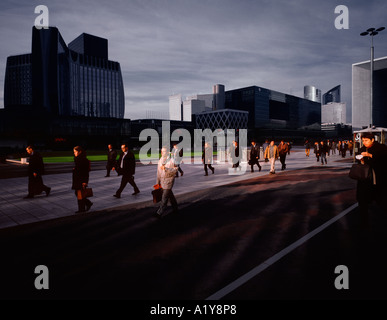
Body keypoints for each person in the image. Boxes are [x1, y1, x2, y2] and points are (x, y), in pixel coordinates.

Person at [355, 132, 387, 228]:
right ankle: (364, 224)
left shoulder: (381, 148)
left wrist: (370, 155)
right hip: (365, 180)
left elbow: (384, 160)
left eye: (366, 140)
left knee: (381, 203)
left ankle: (382, 224)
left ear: (372, 140)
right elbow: (361, 164)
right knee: (362, 202)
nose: (364, 142)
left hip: (378, 180)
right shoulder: (362, 149)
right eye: (363, 140)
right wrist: (361, 160)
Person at [155, 146, 178, 218]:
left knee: (164, 197)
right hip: (162, 180)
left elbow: (175, 170)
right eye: (161, 151)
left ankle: (159, 212)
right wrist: (157, 182)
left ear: (168, 152)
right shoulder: (160, 160)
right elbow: (158, 172)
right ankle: (175, 208)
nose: (162, 152)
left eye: (164, 151)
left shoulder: (172, 160)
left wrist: (166, 168)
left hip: (169, 181)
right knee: (170, 195)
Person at [72, 146, 93, 213]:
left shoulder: (84, 160)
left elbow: (85, 172)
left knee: (79, 193)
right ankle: (87, 204)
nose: (74, 153)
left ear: (79, 152)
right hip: (77, 179)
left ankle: (82, 209)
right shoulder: (77, 159)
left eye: (75, 152)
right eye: (74, 152)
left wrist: (85, 181)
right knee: (78, 193)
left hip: (81, 180)